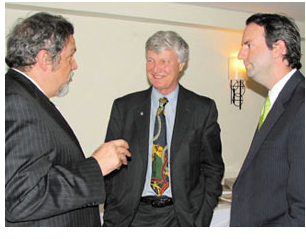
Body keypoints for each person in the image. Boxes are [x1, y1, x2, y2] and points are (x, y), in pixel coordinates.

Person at [5, 12, 131, 227]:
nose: (74, 65)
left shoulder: (26, 97)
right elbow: (21, 198)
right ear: (45, 59)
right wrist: (96, 166)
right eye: (70, 56)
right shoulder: (18, 103)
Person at [103, 31, 224, 227]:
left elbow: (212, 167)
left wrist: (203, 214)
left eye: (164, 61)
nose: (155, 68)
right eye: (150, 60)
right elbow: (110, 165)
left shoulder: (202, 109)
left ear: (181, 65)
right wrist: (112, 209)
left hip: (182, 218)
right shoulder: (124, 107)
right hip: (131, 217)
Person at [230, 13, 305, 227]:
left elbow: (302, 210)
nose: (240, 54)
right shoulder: (278, 100)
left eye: (249, 45)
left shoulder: (302, 105)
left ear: (279, 48)